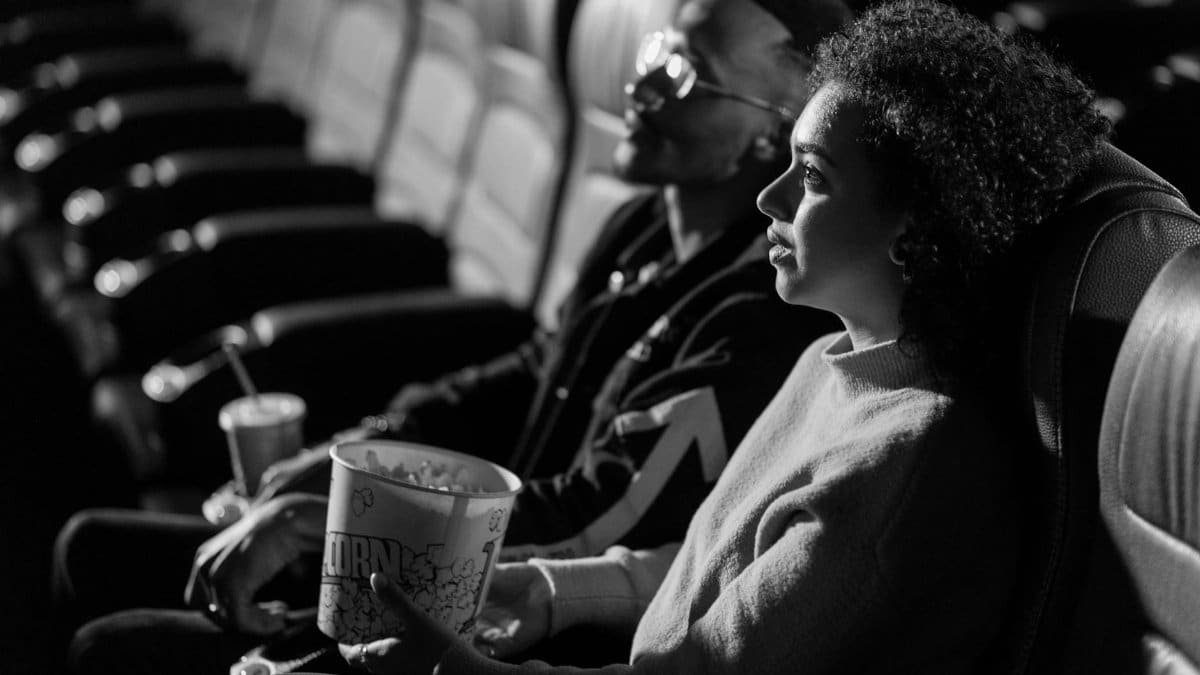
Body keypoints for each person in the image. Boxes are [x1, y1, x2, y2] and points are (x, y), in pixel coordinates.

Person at [56, 0, 851, 672]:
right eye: (656, 50)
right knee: (88, 546)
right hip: (436, 549)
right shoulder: (645, 221)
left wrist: (343, 515)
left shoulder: (759, 316)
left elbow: (592, 519)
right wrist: (366, 445)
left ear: (771, 134)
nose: (639, 85)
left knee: (109, 642)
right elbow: (531, 368)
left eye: (684, 72)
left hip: (487, 609)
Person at [326, 0, 1113, 672]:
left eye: (810, 177)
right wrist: (557, 591)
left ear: (916, 228)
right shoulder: (837, 361)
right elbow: (728, 569)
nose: (768, 199)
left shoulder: (907, 465)